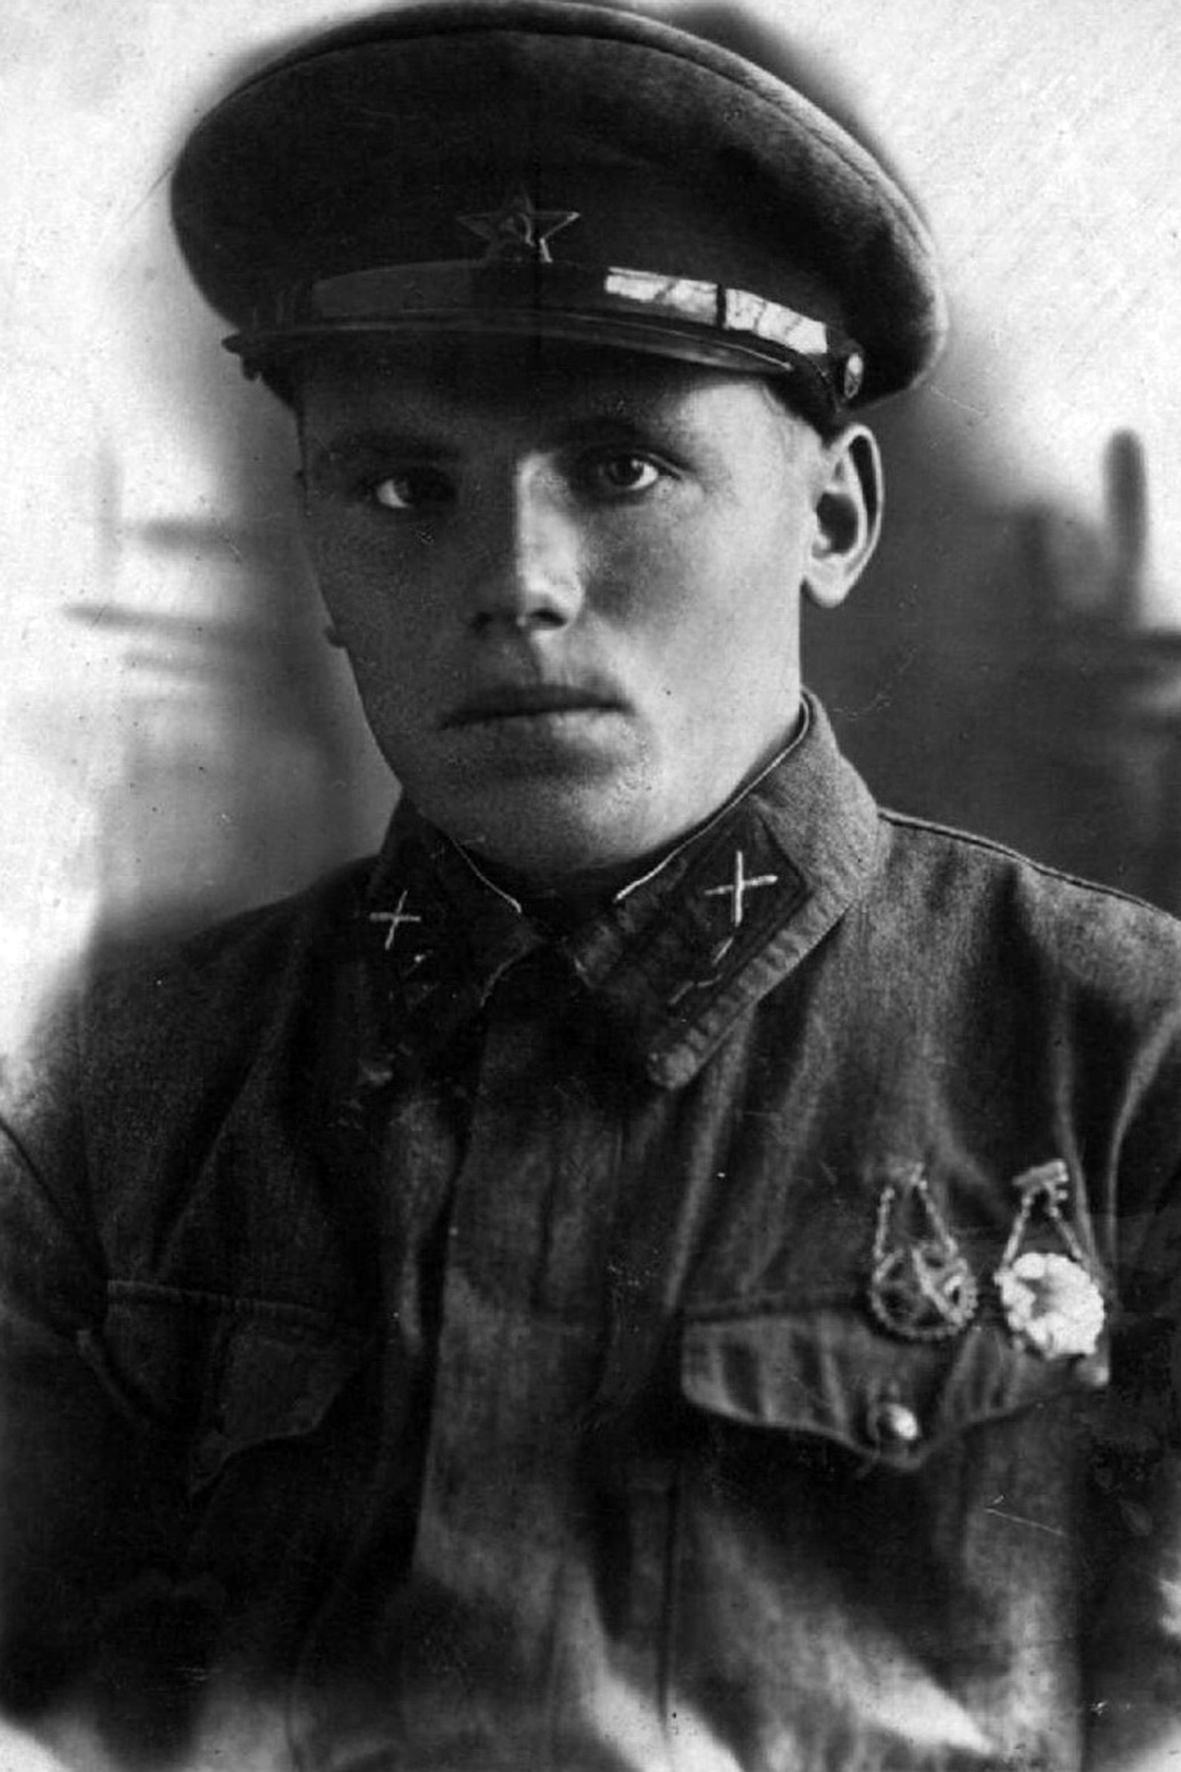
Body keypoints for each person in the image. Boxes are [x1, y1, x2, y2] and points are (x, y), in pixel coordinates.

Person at [3, 3, 1181, 1769]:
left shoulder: (1132, 1066)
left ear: (833, 517)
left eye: (620, 466)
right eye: (403, 485)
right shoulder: (105, 1104)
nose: (517, 580)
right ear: (315, 549)